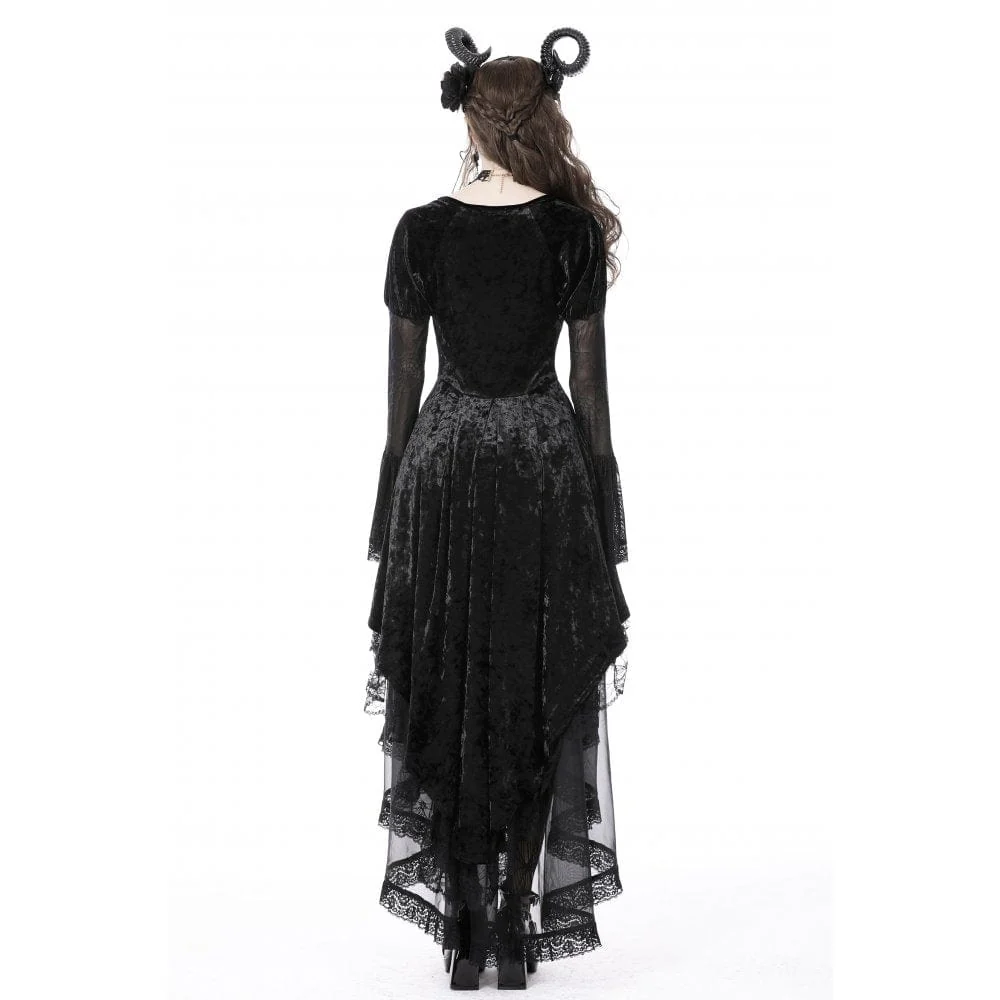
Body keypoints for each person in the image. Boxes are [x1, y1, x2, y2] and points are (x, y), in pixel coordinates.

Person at [364, 26, 631, 990]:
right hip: (542, 470)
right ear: (544, 119)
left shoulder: (420, 230)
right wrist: (605, 516)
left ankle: (468, 932)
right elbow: (591, 394)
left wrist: (389, 509)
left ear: (471, 120)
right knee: (533, 676)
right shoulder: (570, 232)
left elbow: (402, 395)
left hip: (442, 472)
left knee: (445, 676)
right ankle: (514, 929)